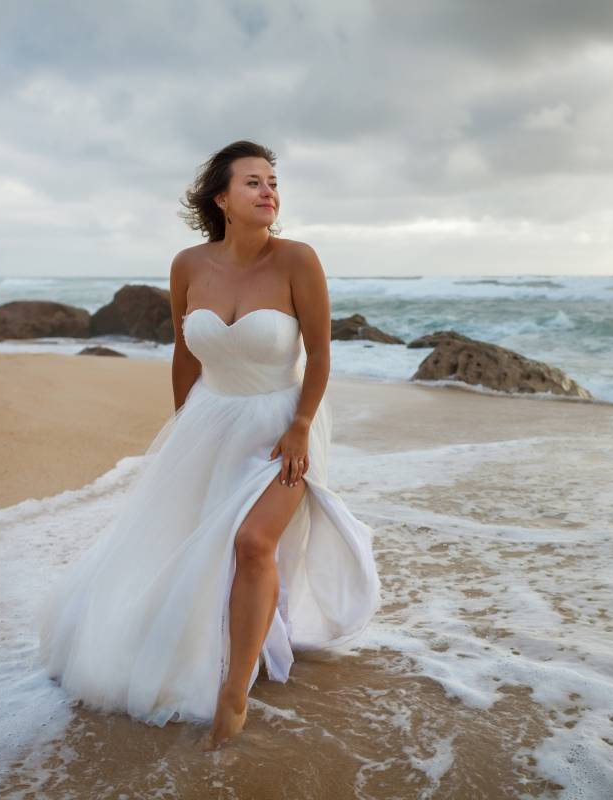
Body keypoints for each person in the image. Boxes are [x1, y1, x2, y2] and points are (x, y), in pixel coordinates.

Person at [35, 140, 382, 751]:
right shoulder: (188, 265)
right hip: (209, 420)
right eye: (253, 182)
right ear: (221, 198)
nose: (269, 191)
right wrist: (181, 427)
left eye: (273, 181)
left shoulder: (298, 259)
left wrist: (300, 425)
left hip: (281, 423)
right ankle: (220, 643)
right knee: (199, 547)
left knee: (253, 543)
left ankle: (233, 694)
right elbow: (183, 350)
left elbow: (322, 355)